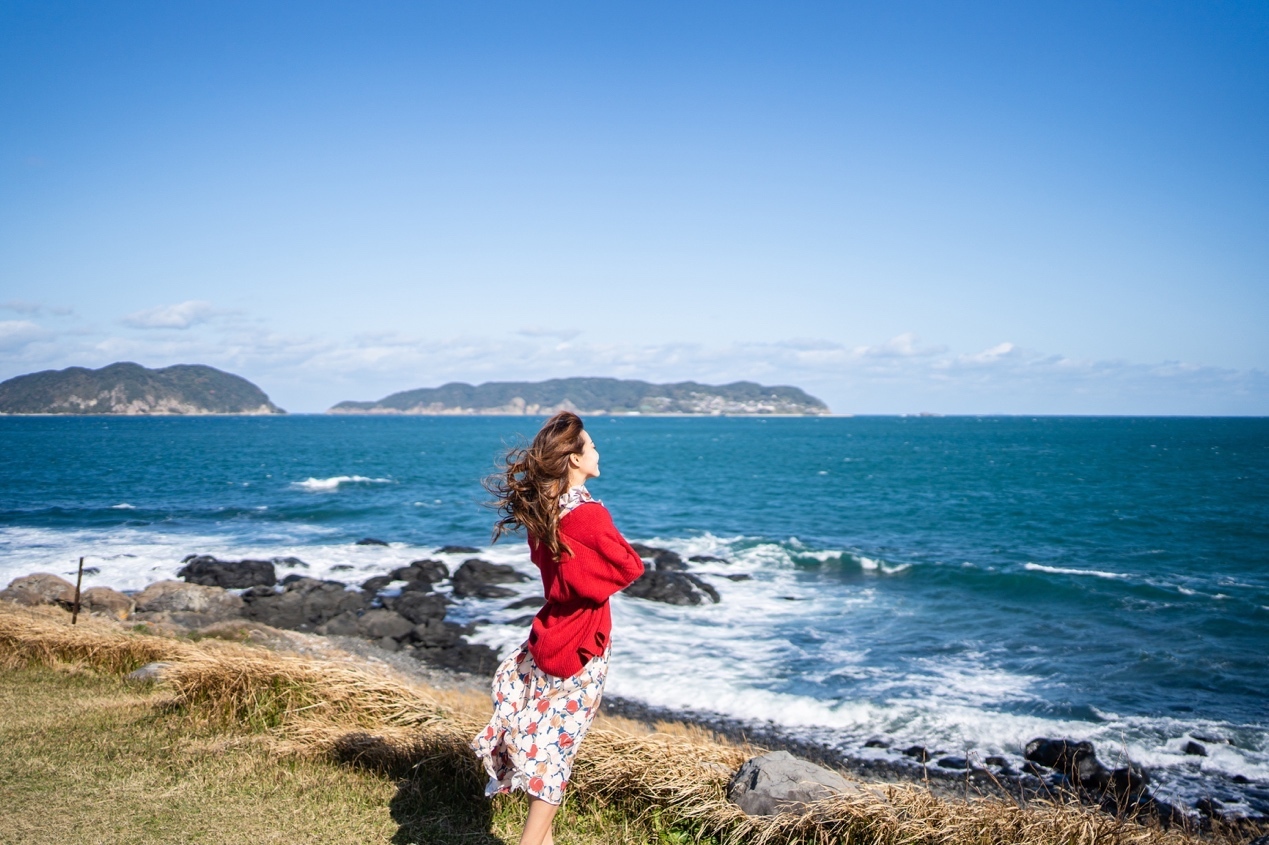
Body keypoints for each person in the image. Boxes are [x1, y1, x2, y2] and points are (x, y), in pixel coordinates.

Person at [472, 411, 645, 845]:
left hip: (550, 631)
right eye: (591, 446)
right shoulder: (586, 514)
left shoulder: (545, 509)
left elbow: (559, 575)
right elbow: (629, 566)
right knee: (558, 750)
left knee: (544, 739)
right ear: (573, 460)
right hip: (583, 641)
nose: (598, 452)